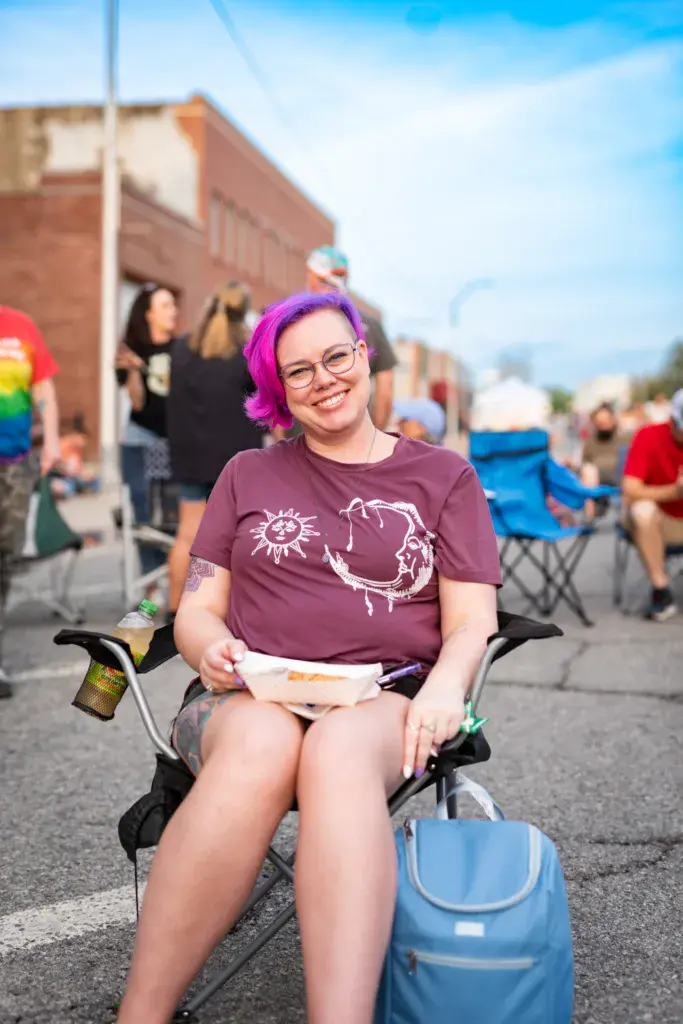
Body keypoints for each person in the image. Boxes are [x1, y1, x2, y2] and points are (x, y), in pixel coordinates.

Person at [116, 291, 501, 1024]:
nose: (324, 379)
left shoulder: (443, 477)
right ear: (278, 391)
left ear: (363, 355)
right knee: (263, 745)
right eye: (299, 371)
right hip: (245, 695)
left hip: (384, 698)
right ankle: (140, 1014)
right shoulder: (245, 474)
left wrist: (447, 686)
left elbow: (470, 620)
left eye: (335, 357)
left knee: (336, 750)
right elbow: (196, 606)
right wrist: (210, 647)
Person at [166, 282, 264, 621]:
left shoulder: (182, 347)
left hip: (190, 458)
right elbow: (261, 402)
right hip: (236, 462)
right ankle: (228, 611)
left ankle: (175, 611)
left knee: (187, 535)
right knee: (236, 539)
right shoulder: (248, 352)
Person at [0, 305, 60, 698]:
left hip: (14, 463)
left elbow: (43, 388)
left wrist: (51, 440)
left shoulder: (20, 325)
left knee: (5, 553)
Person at [116, 284, 178, 594]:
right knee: (142, 515)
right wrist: (133, 371)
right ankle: (150, 589)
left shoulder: (183, 349)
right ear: (148, 314)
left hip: (176, 441)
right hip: (141, 438)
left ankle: (177, 586)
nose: (173, 311)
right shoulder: (131, 350)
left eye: (173, 305)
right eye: (165, 305)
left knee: (173, 515)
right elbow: (138, 403)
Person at [306, 244, 397, 429]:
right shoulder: (371, 325)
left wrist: (279, 437)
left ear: (315, 276)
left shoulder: (293, 324)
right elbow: (385, 390)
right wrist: (377, 435)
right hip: (356, 434)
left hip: (304, 434)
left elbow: (272, 384)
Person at [622, 388, 683, 621]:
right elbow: (630, 489)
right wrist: (675, 492)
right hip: (662, 521)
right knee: (642, 509)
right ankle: (661, 591)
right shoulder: (648, 435)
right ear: (673, 421)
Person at [580, 402, 626, 519]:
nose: (603, 423)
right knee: (588, 471)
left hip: (622, 476)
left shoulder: (626, 438)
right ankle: (589, 517)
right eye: (600, 421)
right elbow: (584, 464)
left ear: (613, 420)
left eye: (606, 419)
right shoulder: (590, 442)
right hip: (597, 479)